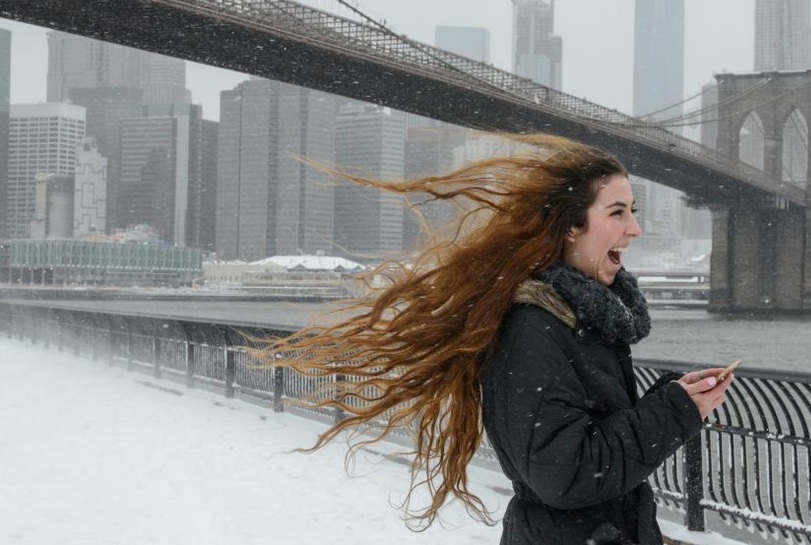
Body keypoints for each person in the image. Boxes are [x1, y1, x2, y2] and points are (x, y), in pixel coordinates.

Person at [262, 134, 732, 544]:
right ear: (570, 226)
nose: (635, 228)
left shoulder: (582, 320)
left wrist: (672, 398)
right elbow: (563, 476)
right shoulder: (535, 326)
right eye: (617, 212)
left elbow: (588, 443)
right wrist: (672, 414)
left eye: (634, 211)